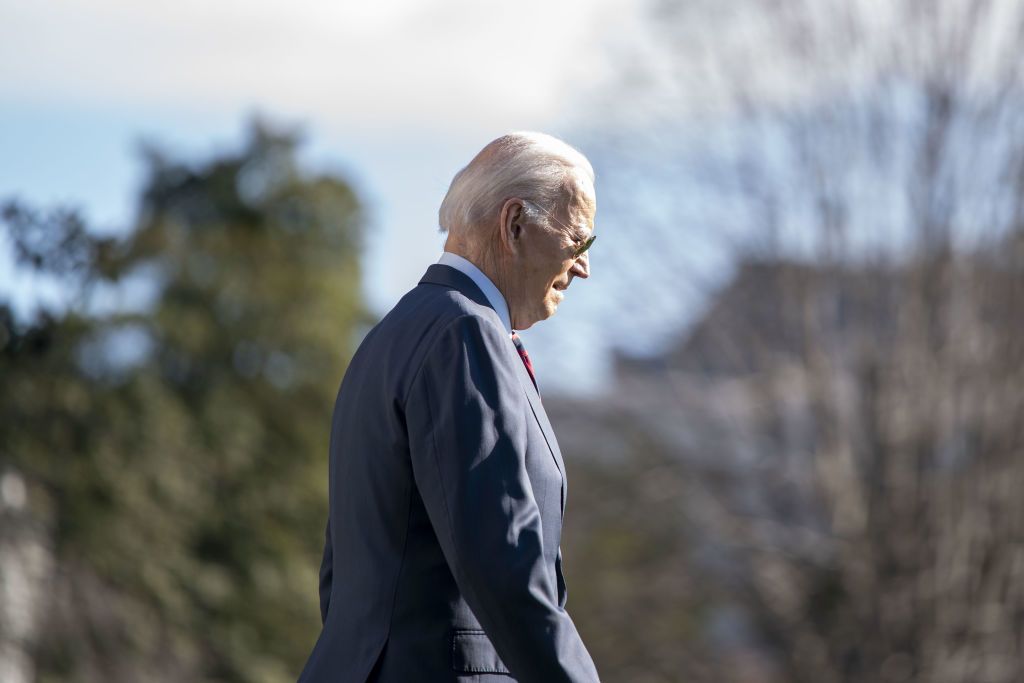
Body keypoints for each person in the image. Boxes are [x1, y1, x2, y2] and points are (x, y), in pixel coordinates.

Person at [297, 132, 601, 682]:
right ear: (515, 225)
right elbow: (503, 560)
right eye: (580, 241)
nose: (583, 267)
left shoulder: (390, 336)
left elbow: (342, 579)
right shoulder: (465, 333)